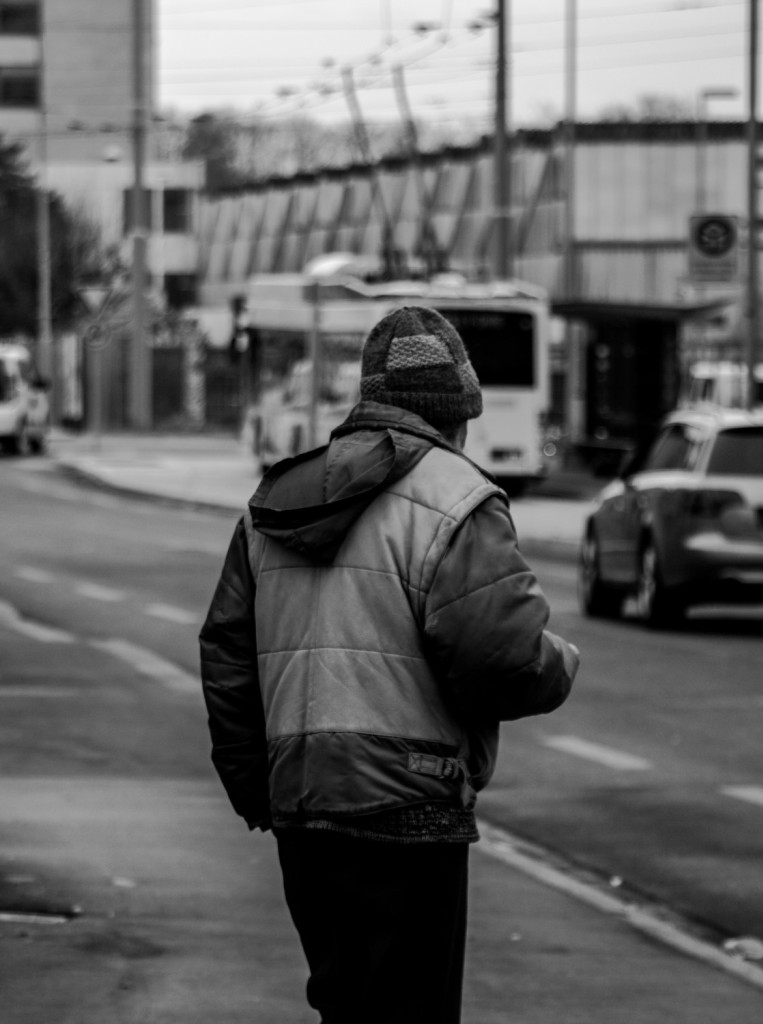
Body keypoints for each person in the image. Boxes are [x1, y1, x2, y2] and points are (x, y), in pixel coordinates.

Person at [199, 305, 580, 1024]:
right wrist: (560, 662)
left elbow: (226, 652)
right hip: (411, 804)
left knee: (344, 1006)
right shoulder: (458, 497)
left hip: (303, 804)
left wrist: (260, 785)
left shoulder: (274, 500)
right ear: (458, 414)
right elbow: (501, 659)